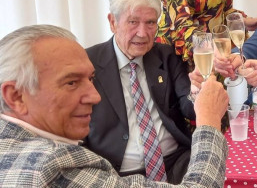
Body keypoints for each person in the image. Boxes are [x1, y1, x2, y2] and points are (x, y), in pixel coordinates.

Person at [0, 24, 229, 187]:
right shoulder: (54, 167)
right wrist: (208, 121)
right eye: (71, 83)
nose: (94, 96)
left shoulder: (165, 55)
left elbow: (184, 103)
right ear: (15, 96)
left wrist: (196, 95)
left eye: (150, 22)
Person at [84, 0, 195, 183]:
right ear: (112, 22)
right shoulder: (87, 63)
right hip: (116, 174)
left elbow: (190, 108)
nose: (142, 33)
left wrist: (197, 91)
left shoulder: (166, 55)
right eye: (133, 22)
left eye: (150, 23)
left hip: (176, 164)